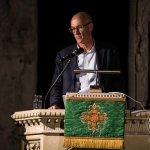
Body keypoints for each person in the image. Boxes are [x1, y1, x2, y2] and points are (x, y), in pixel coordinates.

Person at [48, 12, 125, 109]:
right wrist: (55, 104)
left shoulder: (109, 51)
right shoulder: (64, 55)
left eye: (79, 27)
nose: (76, 32)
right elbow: (56, 85)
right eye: (73, 29)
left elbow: (118, 81)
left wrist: (115, 104)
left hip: (102, 107)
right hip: (73, 107)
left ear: (90, 27)